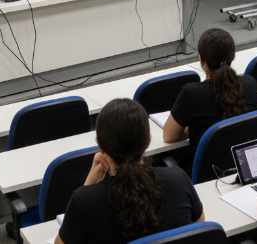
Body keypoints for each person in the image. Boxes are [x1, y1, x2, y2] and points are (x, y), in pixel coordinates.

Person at [57, 99, 204, 244]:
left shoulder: (84, 202)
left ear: (101, 145)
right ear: (147, 140)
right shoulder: (178, 179)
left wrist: (88, 185)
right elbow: (201, 232)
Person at [164, 28, 257, 150]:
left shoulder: (191, 94)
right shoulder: (250, 84)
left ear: (201, 59)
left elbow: (169, 136)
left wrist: (193, 130)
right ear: (233, 57)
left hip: (209, 168)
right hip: (246, 164)